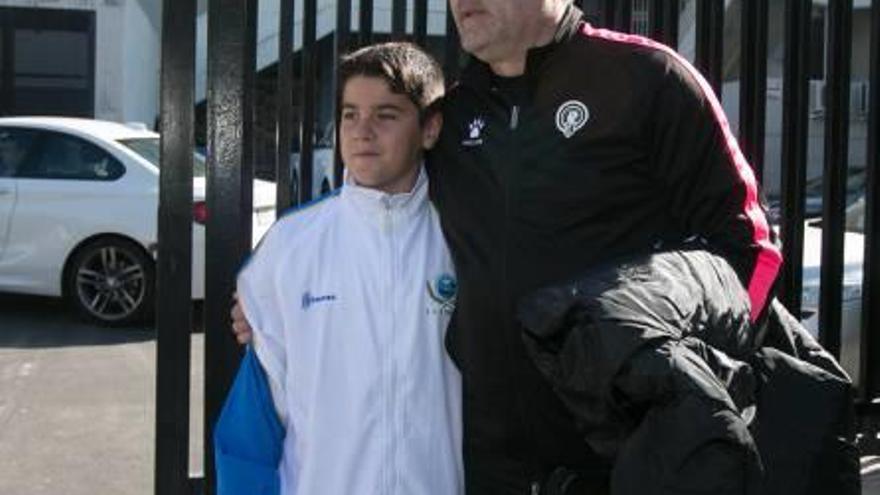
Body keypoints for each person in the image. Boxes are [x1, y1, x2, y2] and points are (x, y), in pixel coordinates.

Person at [234, 1, 857, 493]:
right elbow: (375, 201)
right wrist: (268, 291)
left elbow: (752, 251)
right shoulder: (453, 115)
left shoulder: (648, 79)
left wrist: (686, 374)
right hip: (488, 467)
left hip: (626, 460)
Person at [216, 42, 463, 495]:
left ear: (430, 128)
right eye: (350, 114)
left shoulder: (465, 240)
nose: (362, 131)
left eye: (386, 115)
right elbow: (251, 426)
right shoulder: (291, 245)